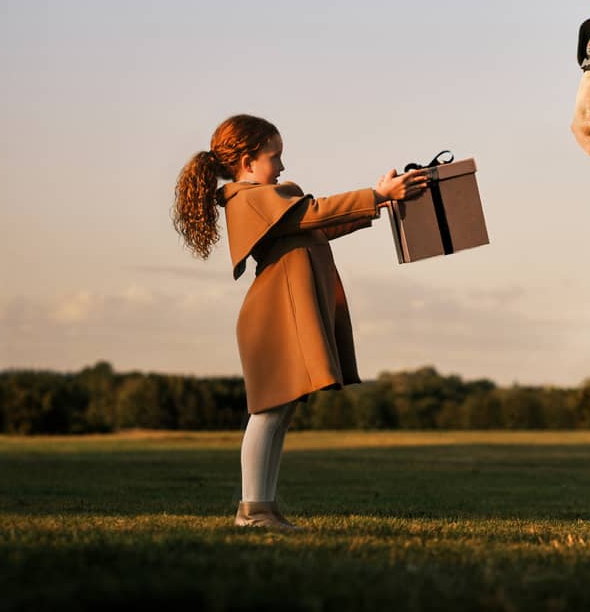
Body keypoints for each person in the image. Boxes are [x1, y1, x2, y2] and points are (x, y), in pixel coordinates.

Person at [171, 114, 427, 530]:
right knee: (269, 412)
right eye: (275, 157)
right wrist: (376, 194)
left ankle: (263, 508)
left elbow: (316, 222)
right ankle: (253, 510)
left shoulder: (270, 203)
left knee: (279, 414)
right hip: (274, 315)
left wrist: (381, 201)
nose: (283, 166)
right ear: (249, 162)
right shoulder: (250, 197)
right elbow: (313, 213)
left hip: (282, 311)